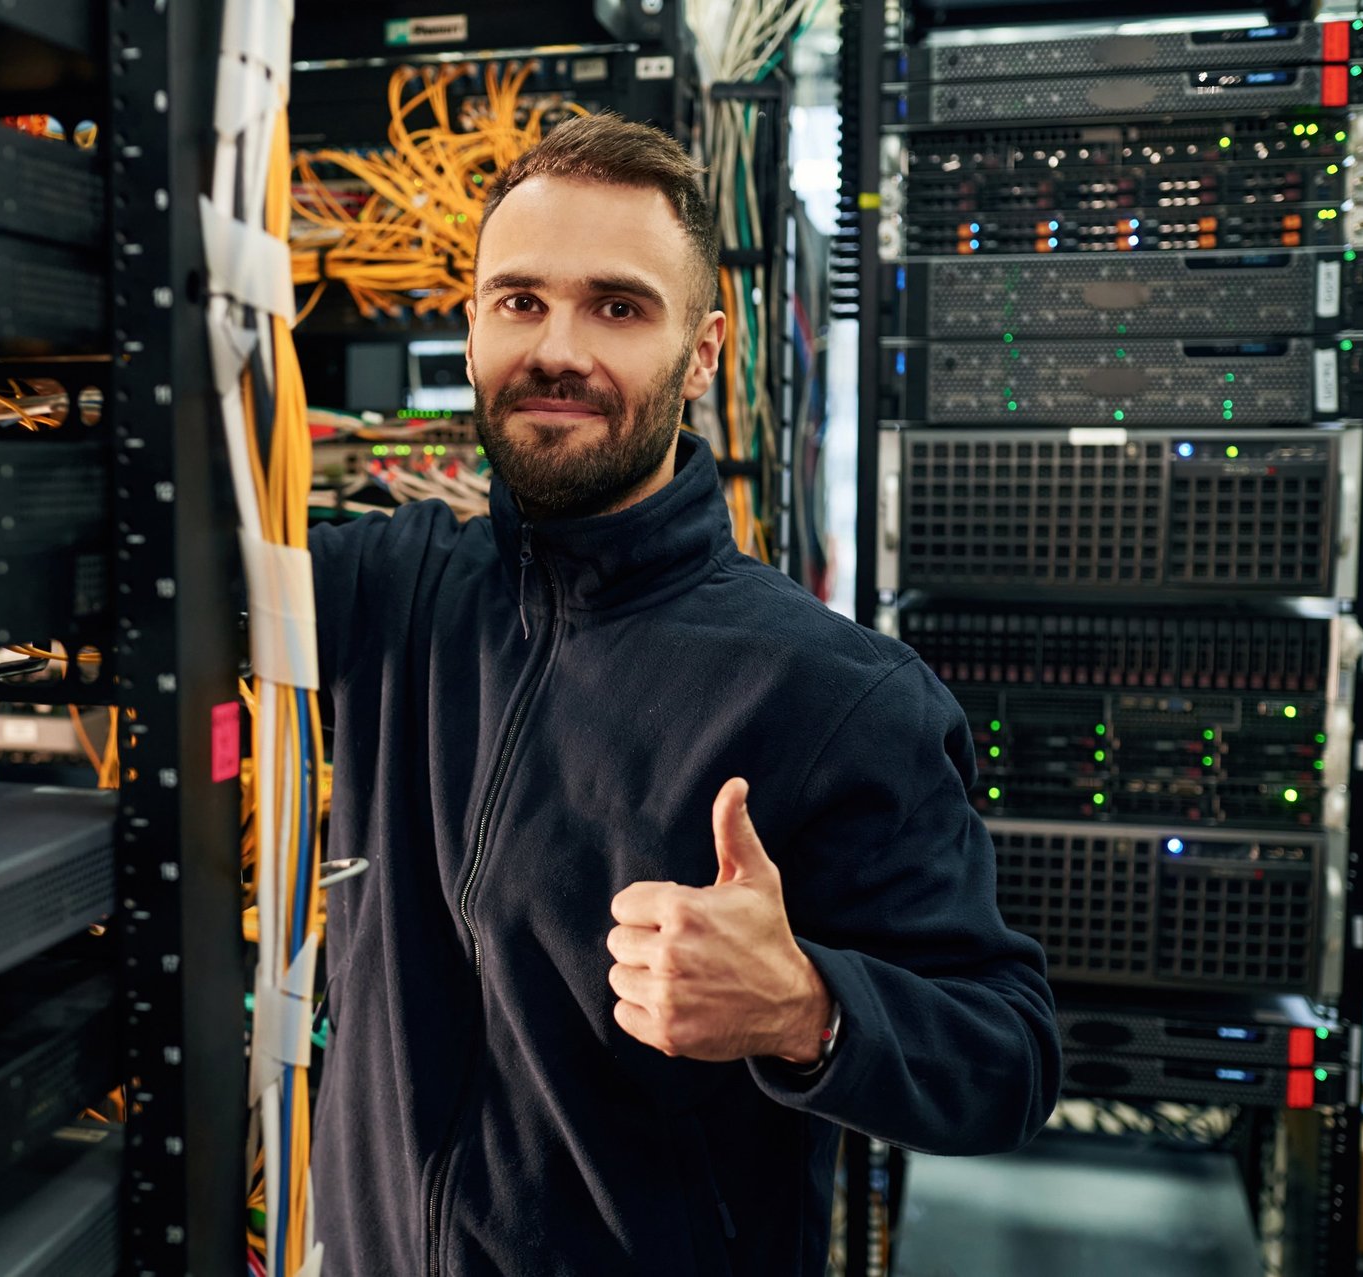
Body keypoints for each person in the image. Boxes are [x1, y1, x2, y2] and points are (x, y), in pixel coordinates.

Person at [307, 112, 1059, 1277]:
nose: (558, 347)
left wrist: (809, 1008)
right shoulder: (390, 594)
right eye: (519, 301)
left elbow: (1010, 1058)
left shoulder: (831, 689)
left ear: (703, 352)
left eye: (618, 306)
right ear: (468, 333)